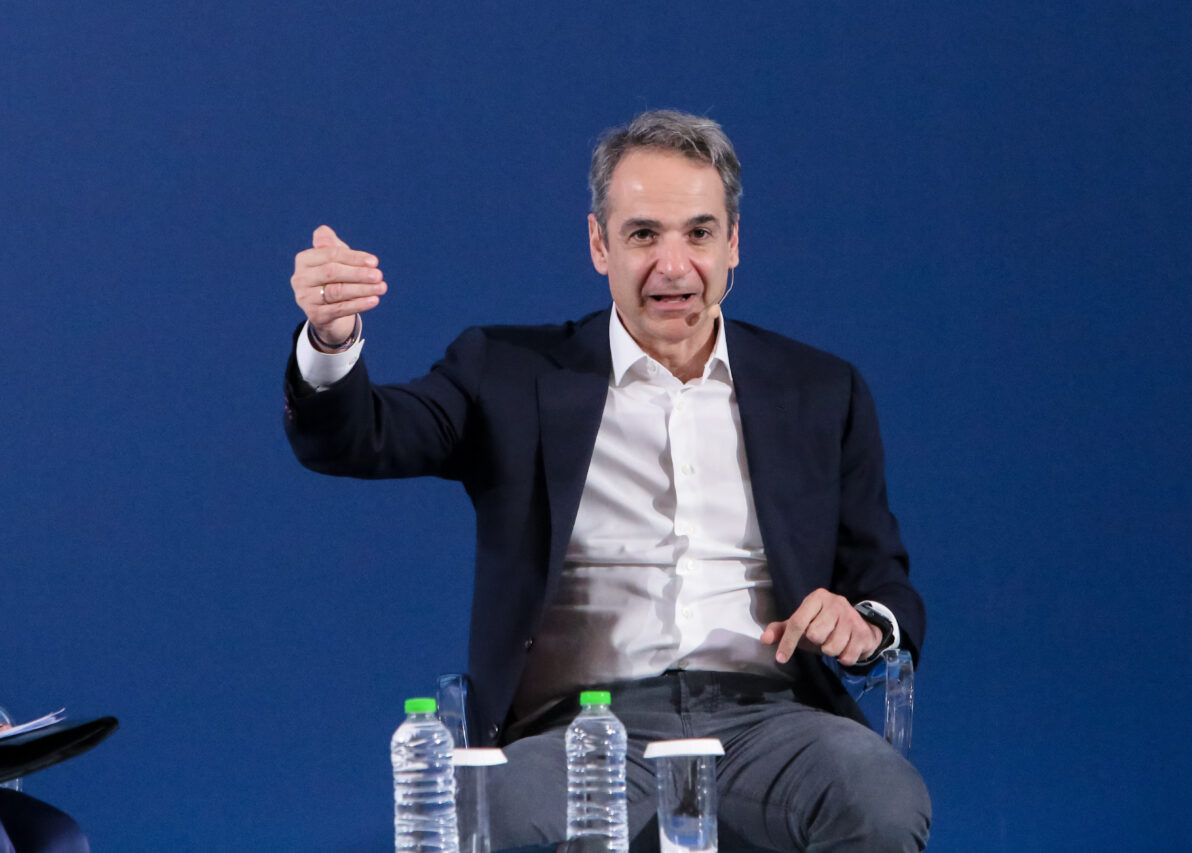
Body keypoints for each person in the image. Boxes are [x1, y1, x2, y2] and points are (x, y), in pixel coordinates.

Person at [284, 110, 930, 852]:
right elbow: (359, 437)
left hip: (773, 722)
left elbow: (882, 576)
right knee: (479, 821)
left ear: (733, 243)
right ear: (600, 244)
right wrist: (330, 339)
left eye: (699, 233)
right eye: (643, 234)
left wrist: (865, 624)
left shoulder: (819, 389)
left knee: (881, 799)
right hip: (584, 728)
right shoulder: (507, 373)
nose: (674, 266)